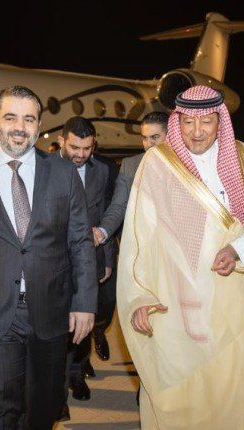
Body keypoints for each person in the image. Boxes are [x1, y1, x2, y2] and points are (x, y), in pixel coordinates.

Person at [117, 86, 244, 429]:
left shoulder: (243, 158)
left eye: (206, 122)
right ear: (177, 122)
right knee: (184, 396)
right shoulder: (158, 162)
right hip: (177, 301)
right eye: (188, 123)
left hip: (236, 297)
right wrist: (139, 296)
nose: (197, 132)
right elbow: (139, 236)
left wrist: (237, 250)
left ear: (220, 121)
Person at [0, 86, 97, 429]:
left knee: (44, 406)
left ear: (39, 125)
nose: (20, 127)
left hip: (50, 308)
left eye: (29, 119)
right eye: (10, 117)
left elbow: (81, 242)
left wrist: (85, 302)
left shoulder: (63, 173)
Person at [90, 111, 168, 367]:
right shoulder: (132, 165)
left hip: (176, 258)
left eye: (155, 137)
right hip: (142, 256)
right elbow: (118, 206)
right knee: (143, 317)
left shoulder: (187, 164)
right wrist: (102, 232)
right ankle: (149, 374)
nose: (148, 144)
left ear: (170, 135)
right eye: (145, 138)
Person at [57, 117, 115, 411]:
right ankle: (56, 389)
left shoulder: (100, 171)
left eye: (87, 148)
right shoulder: (44, 168)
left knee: (84, 318)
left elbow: (104, 215)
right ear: (61, 141)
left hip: (88, 258)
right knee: (57, 326)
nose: (80, 155)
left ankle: (77, 376)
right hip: (54, 260)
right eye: (74, 148)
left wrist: (106, 258)